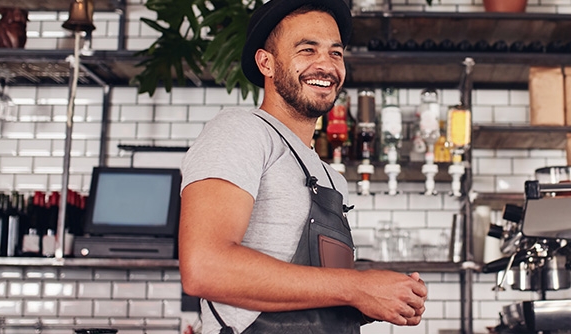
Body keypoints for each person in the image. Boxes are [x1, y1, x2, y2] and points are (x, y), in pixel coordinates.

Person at [178, 0, 428, 333]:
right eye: (307, 50)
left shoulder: (331, 178)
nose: (326, 65)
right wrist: (357, 287)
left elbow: (323, 291)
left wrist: (370, 300)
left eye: (336, 53)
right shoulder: (242, 130)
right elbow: (204, 267)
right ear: (266, 63)